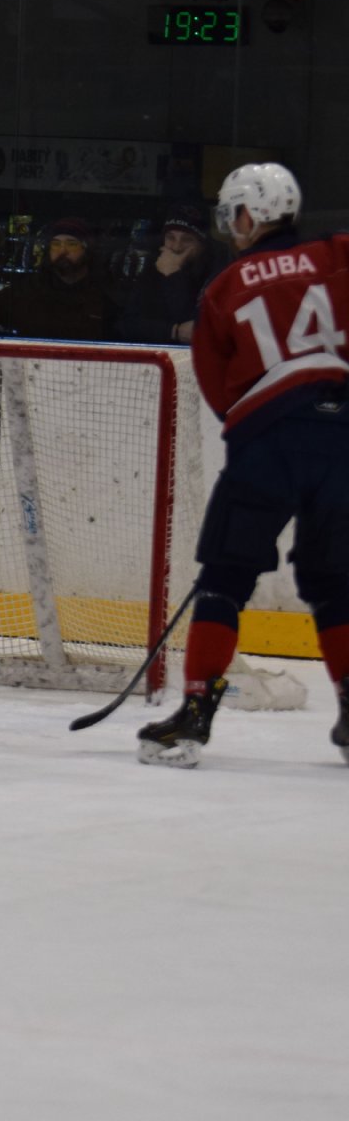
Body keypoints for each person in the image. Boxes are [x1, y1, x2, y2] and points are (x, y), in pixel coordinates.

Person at [136, 164, 349, 768]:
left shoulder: (224, 287)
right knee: (337, 583)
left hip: (267, 443)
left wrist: (260, 432)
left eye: (233, 215)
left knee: (225, 579)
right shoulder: (337, 253)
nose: (231, 227)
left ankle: (194, 714)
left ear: (251, 215)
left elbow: (217, 385)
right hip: (343, 439)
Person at [0, 216, 115, 340]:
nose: (62, 251)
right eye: (56, 244)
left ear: (86, 249)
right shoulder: (28, 290)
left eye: (71, 244)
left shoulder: (105, 296)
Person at [113, 205, 214, 344]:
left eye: (187, 239)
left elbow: (195, 329)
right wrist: (172, 331)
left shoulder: (216, 275)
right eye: (170, 238)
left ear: (201, 245)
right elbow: (126, 325)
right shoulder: (154, 271)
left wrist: (174, 276)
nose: (177, 247)